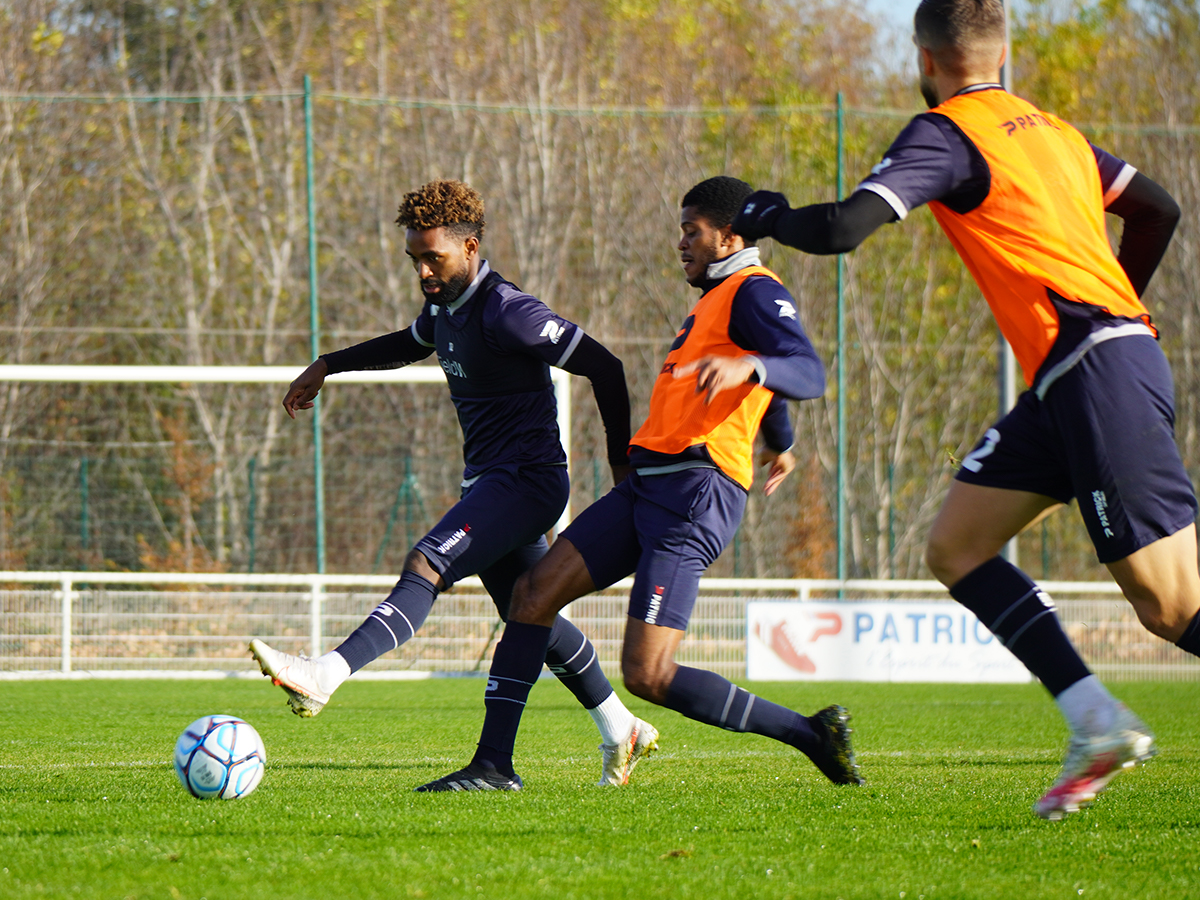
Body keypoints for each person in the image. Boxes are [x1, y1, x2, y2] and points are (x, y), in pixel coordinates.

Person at [733, 0, 1192, 820]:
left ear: (924, 57)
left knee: (1172, 608)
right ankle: (1095, 720)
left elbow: (843, 229)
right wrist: (1114, 315)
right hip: (1074, 378)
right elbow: (1158, 207)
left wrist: (763, 215)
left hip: (1095, 373)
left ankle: (1097, 720)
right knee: (958, 547)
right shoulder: (1051, 130)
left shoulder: (947, 132)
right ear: (1004, 50)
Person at [417, 175, 863, 792]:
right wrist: (778, 440)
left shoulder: (754, 291)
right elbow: (761, 383)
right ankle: (493, 767)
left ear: (730, 234)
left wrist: (748, 369)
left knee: (648, 675)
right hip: (649, 485)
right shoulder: (714, 298)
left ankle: (810, 734)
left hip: (696, 494)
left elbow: (805, 369)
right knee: (532, 593)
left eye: (692, 231)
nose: (681, 242)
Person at [249, 179, 659, 787]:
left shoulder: (510, 312)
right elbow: (407, 344)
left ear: (470, 247)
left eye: (432, 258)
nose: (422, 271)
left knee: (427, 564)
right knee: (529, 611)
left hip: (528, 481)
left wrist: (622, 465)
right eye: (414, 258)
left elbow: (605, 365)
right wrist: (329, 364)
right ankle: (621, 727)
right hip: (490, 483)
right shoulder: (443, 307)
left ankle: (325, 675)